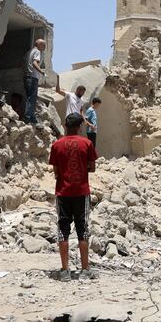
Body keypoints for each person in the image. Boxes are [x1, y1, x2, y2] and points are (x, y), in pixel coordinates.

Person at [49, 113, 98, 281]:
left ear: (65, 125)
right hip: (81, 191)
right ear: (80, 127)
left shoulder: (56, 145)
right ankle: (85, 270)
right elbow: (92, 168)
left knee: (63, 229)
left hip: (63, 192)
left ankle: (64, 271)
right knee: (82, 229)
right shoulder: (87, 143)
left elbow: (56, 172)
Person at [24, 39, 46, 124]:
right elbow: (34, 63)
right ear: (39, 44)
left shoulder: (29, 52)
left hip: (26, 76)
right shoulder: (37, 52)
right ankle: (28, 117)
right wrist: (41, 71)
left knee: (30, 97)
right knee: (32, 98)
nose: (44, 47)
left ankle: (32, 116)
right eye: (43, 45)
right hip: (32, 77)